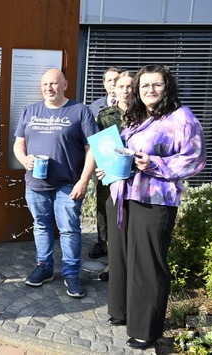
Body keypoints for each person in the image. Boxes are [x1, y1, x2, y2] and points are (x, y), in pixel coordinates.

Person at [99, 65, 206, 349]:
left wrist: (155, 164)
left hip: (155, 200)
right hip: (124, 195)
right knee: (121, 258)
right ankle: (121, 312)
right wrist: (109, 168)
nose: (150, 90)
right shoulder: (137, 117)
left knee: (147, 264)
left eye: (156, 85)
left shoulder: (181, 118)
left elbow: (195, 159)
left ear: (167, 86)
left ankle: (145, 329)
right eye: (144, 85)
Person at [13, 68, 98, 298]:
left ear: (65, 85)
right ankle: (45, 267)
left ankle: (71, 273)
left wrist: (83, 180)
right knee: (41, 226)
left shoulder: (80, 111)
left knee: (69, 229)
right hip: (36, 183)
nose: (49, 88)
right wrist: (24, 159)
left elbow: (92, 149)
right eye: (45, 85)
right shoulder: (30, 111)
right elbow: (19, 144)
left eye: (54, 83)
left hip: (68, 184)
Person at [89, 71, 135, 282]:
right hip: (109, 177)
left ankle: (130, 263)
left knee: (131, 221)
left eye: (130, 87)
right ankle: (112, 264)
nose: (126, 91)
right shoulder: (105, 115)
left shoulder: (146, 115)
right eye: (121, 86)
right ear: (113, 89)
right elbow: (96, 146)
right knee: (109, 219)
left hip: (138, 180)